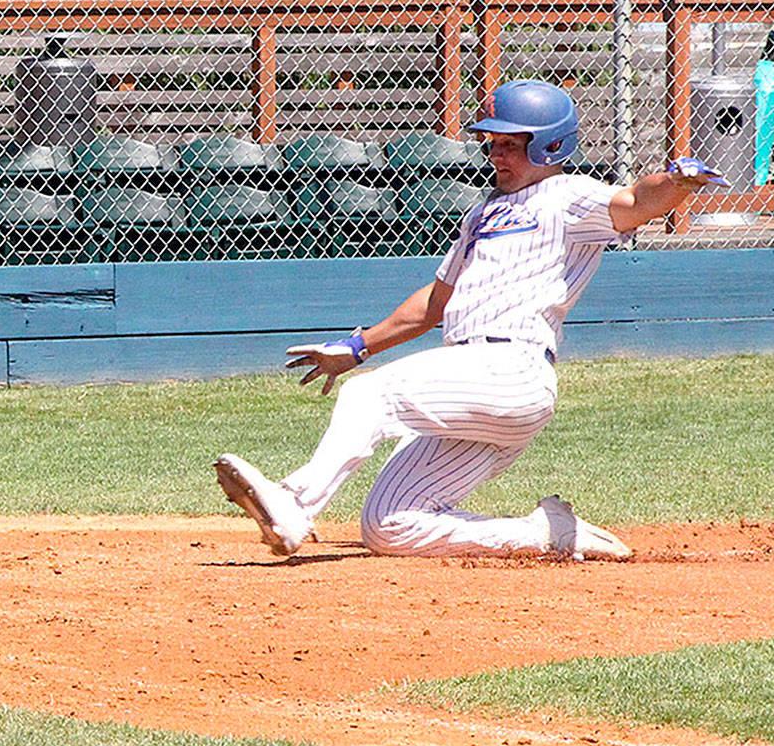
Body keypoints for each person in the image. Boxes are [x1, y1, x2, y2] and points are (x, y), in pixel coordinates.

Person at [215, 79, 727, 561]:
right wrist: (355, 347)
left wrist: (677, 182)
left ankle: (296, 501)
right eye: (492, 143)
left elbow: (636, 201)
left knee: (368, 395)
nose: (496, 154)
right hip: (467, 383)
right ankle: (544, 534)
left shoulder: (566, 195)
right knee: (389, 525)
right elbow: (436, 303)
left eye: (511, 143)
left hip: (512, 368)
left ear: (549, 147)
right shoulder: (483, 213)